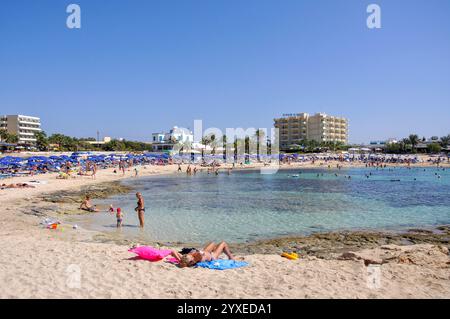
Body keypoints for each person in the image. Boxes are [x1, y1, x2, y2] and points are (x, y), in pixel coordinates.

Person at [171, 242, 237, 268]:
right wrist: (197, 253)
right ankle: (231, 257)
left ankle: (215, 249)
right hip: (212, 256)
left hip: (206, 252)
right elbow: (200, 253)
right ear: (191, 260)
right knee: (223, 243)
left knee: (213, 243)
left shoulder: (184, 259)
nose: (190, 254)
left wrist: (180, 259)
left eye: (188, 254)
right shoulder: (196, 258)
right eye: (190, 255)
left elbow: (173, 251)